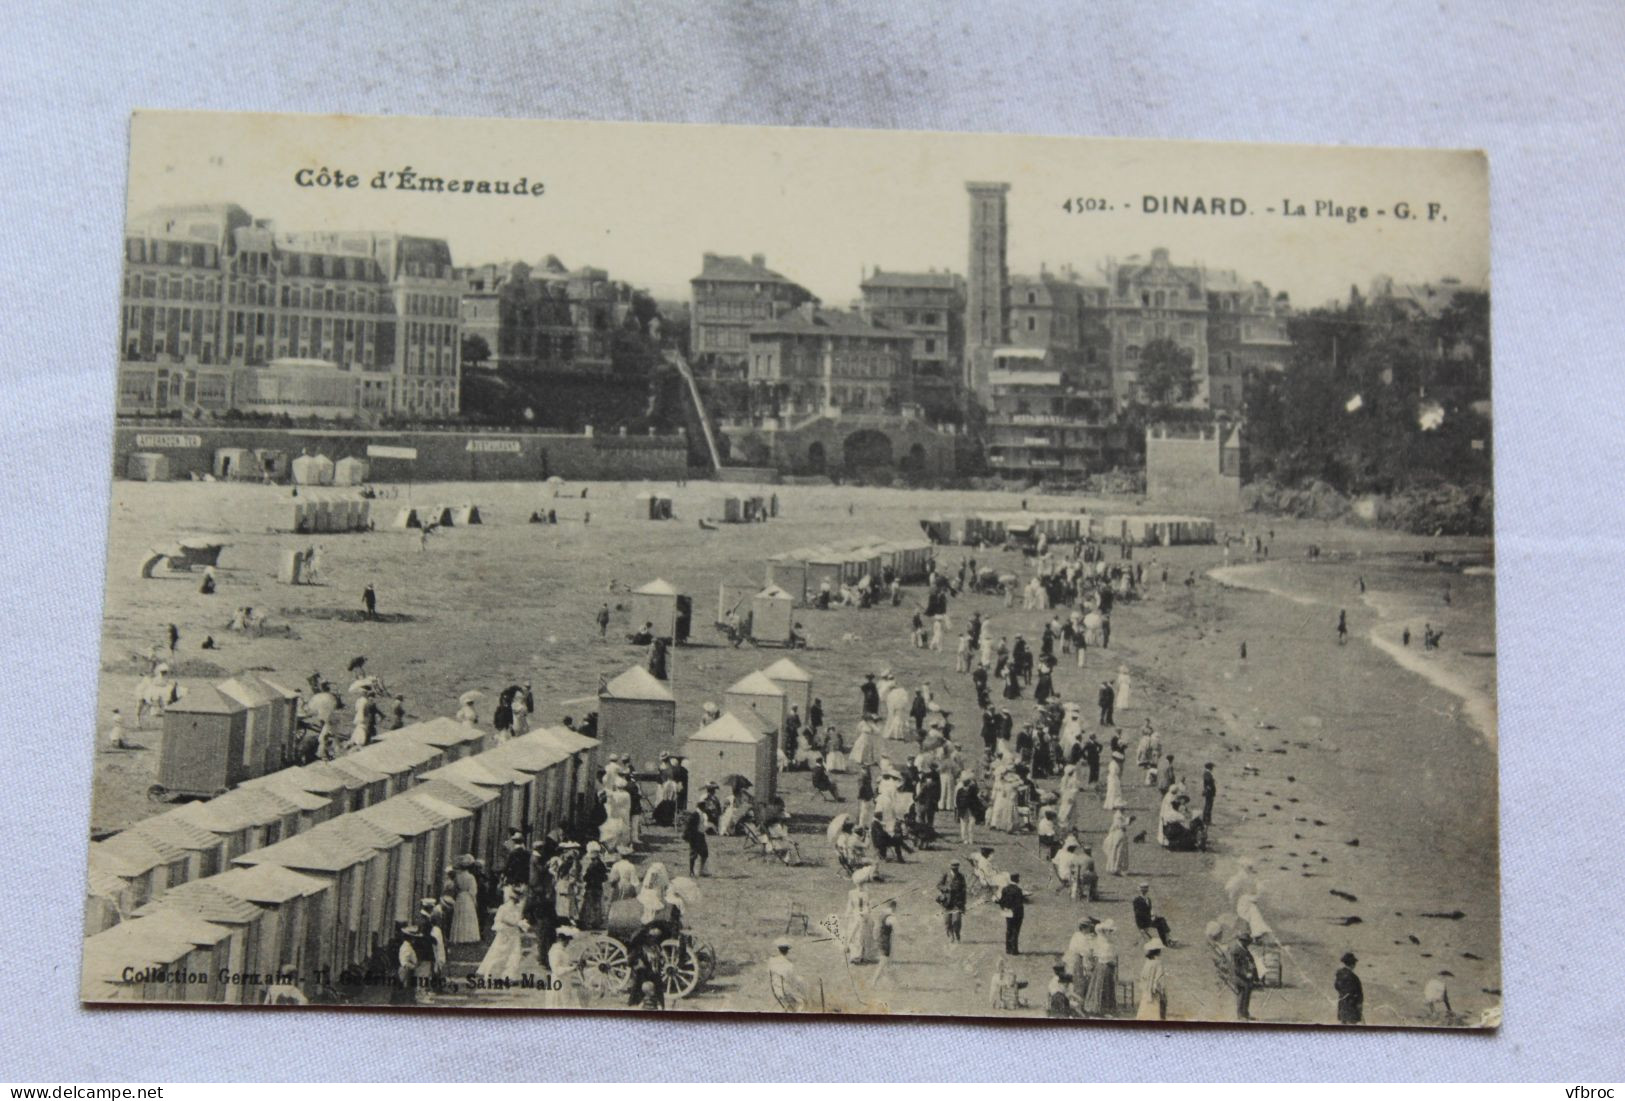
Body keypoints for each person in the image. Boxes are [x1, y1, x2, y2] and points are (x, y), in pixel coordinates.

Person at [476, 887, 528, 983]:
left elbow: (514, 920)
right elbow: (500, 921)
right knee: (504, 954)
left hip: (512, 934)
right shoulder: (505, 908)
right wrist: (513, 924)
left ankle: (507, 976)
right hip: (506, 934)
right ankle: (497, 975)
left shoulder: (514, 908)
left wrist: (520, 924)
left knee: (511, 954)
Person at [1084, 919, 1118, 1016]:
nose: (1110, 933)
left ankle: (1107, 1008)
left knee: (1107, 987)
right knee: (1102, 986)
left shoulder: (1108, 941)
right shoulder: (1101, 941)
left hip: (1107, 966)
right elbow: (1102, 956)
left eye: (1111, 931)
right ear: (1104, 931)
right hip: (1104, 966)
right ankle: (1101, 1008)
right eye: (1108, 931)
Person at [767, 939, 809, 1011]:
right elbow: (791, 980)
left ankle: (789, 1010)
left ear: (779, 949)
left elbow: (770, 973)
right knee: (802, 1002)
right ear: (787, 951)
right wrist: (800, 981)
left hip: (775, 990)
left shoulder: (771, 961)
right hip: (785, 992)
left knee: (792, 1001)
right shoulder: (789, 964)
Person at [450, 859, 482, 944]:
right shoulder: (471, 877)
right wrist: (474, 900)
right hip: (468, 897)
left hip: (460, 897)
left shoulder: (458, 876)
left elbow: (455, 888)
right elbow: (473, 891)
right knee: (468, 917)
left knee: (459, 916)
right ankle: (468, 937)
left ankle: (459, 937)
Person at [1230, 930, 1259, 1020]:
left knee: (1247, 995)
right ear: (1242, 941)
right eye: (1247, 942)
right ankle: (1240, 1015)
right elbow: (1236, 967)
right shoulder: (1236, 951)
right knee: (1242, 995)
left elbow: (1252, 963)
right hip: (1240, 977)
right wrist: (1246, 974)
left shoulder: (1245, 950)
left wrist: (1255, 976)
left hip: (1248, 977)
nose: (1248, 944)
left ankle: (1245, 1013)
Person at [1137, 940, 1168, 1020]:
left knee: (1145, 1006)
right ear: (1158, 952)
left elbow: (1143, 975)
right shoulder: (1158, 963)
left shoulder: (1148, 962)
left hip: (1146, 988)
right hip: (1155, 989)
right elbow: (1159, 977)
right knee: (1156, 1008)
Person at [937, 861, 967, 943]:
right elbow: (939, 885)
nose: (955, 869)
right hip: (947, 903)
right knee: (947, 922)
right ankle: (951, 936)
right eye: (953, 867)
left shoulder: (961, 876)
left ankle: (957, 934)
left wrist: (963, 904)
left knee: (956, 921)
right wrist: (946, 888)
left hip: (957, 903)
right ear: (950, 867)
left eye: (956, 868)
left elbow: (964, 891)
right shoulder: (945, 875)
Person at [997, 873, 1025, 955]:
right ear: (1017, 880)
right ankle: (1014, 950)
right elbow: (1020, 902)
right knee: (1015, 931)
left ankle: (1008, 949)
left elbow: (1002, 901)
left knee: (1009, 930)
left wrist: (1002, 905)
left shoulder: (1005, 889)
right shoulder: (1018, 890)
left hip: (1007, 912)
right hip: (1017, 913)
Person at [1335, 951, 1364, 1024]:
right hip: (1352, 1005)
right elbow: (1358, 992)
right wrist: (1359, 1006)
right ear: (1352, 964)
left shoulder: (1339, 975)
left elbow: (1336, 986)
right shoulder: (1353, 977)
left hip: (1342, 1004)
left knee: (1343, 1025)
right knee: (1352, 1027)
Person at [1103, 808, 1131, 876]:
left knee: (1116, 851)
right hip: (1119, 834)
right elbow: (1120, 825)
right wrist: (1128, 821)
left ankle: (1114, 867)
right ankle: (1116, 868)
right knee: (1119, 852)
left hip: (1118, 834)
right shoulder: (1118, 816)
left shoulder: (1119, 815)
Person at [682, 810, 708, 876]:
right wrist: (689, 836)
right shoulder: (695, 814)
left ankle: (701, 871)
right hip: (695, 836)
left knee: (705, 853)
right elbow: (689, 826)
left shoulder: (703, 814)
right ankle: (691, 871)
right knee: (693, 854)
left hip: (701, 835)